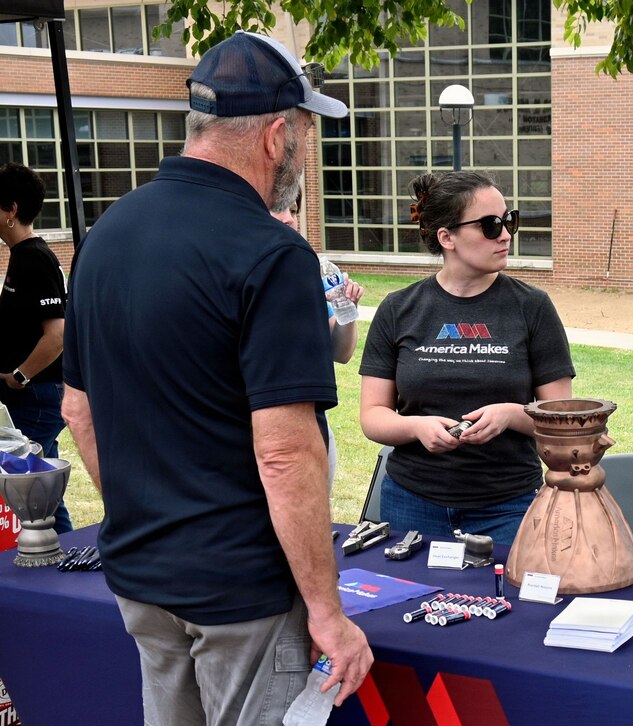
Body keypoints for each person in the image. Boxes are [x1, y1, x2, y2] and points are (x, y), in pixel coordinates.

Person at [61, 31, 373, 724]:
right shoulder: (272, 252)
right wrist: (327, 613)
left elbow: (78, 411)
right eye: (304, 131)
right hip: (242, 593)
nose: (304, 151)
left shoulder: (106, 236)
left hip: (143, 575)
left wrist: (150, 520)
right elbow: (285, 450)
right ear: (273, 137)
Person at [359, 171, 575, 544]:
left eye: (509, 220)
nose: (506, 234)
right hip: (411, 502)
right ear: (447, 238)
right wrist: (416, 428)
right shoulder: (398, 309)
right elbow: (372, 416)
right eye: (491, 225)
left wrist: (510, 414)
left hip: (507, 506)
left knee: (508, 602)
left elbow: (563, 418)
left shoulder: (532, 307)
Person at [271, 190, 364, 492]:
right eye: (277, 209)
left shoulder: (317, 269)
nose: (288, 218)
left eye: (293, 209)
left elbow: (342, 352)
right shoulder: (242, 273)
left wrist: (346, 309)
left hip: (312, 419)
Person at [0, 162, 71, 534]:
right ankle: (68, 559)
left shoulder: (36, 259)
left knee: (26, 489)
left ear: (11, 210)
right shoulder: (20, 256)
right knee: (44, 492)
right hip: (31, 396)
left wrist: (19, 376)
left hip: (38, 397)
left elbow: (57, 335)